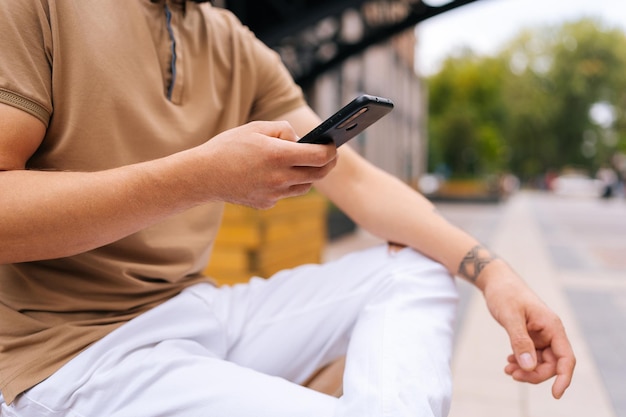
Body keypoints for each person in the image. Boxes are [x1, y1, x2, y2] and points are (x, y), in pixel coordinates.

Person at [0, 1, 575, 416]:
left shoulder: (229, 39)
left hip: (195, 310)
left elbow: (362, 186)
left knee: (418, 266)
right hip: (77, 355)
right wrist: (200, 177)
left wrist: (495, 275)